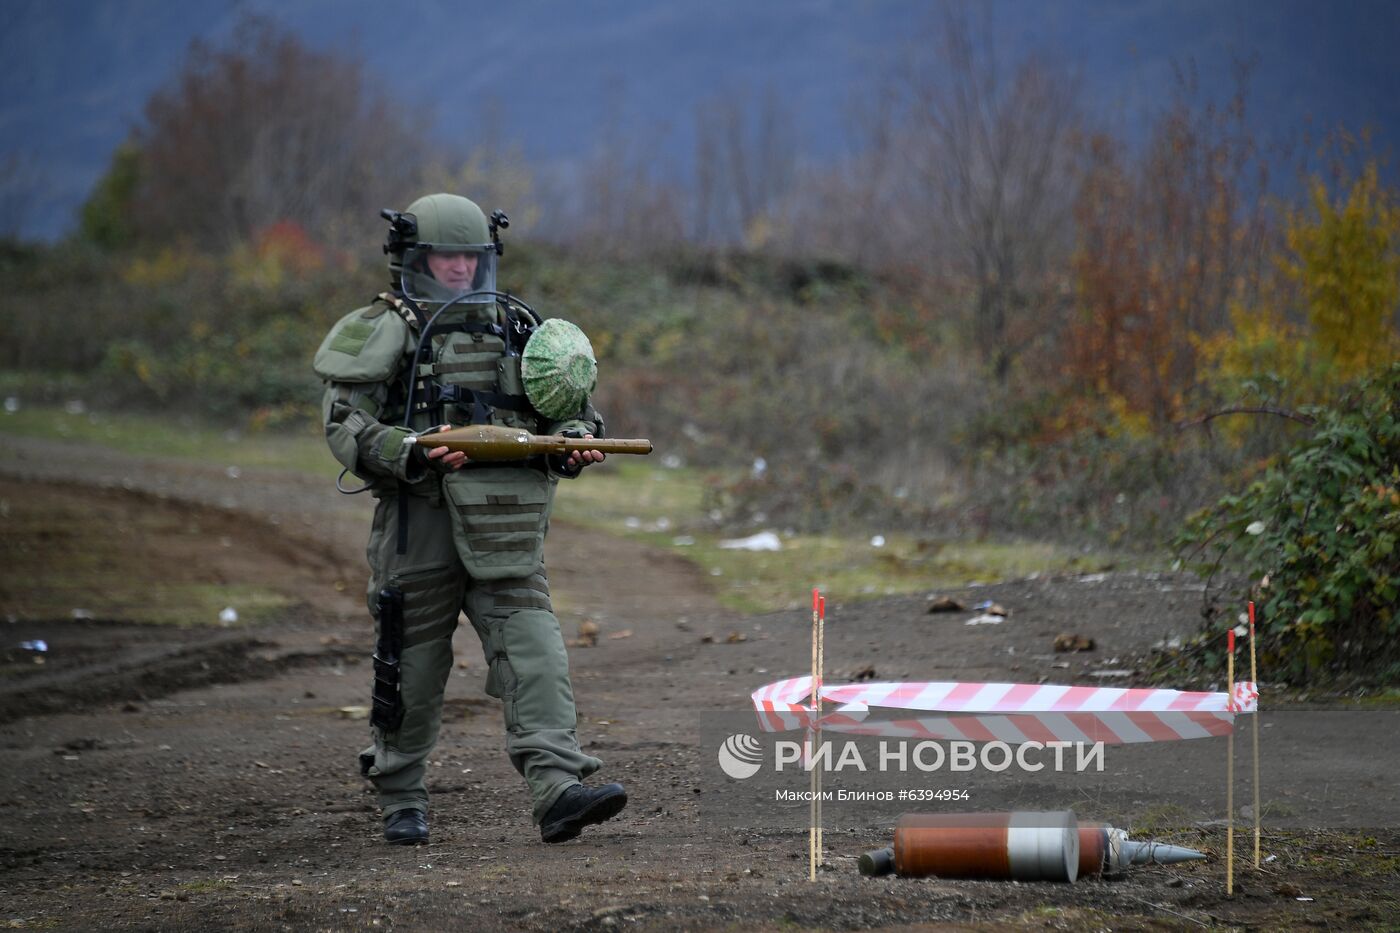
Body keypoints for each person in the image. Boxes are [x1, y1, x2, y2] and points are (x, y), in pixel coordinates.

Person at [312, 193, 626, 845]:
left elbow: (572, 409)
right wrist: (406, 450)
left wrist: (572, 439)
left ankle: (558, 788)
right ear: (412, 258)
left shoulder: (521, 331)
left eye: (469, 257)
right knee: (415, 666)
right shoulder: (383, 327)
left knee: (535, 649)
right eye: (443, 256)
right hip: (418, 522)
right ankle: (401, 794)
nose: (457, 269)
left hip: (508, 526)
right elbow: (345, 423)